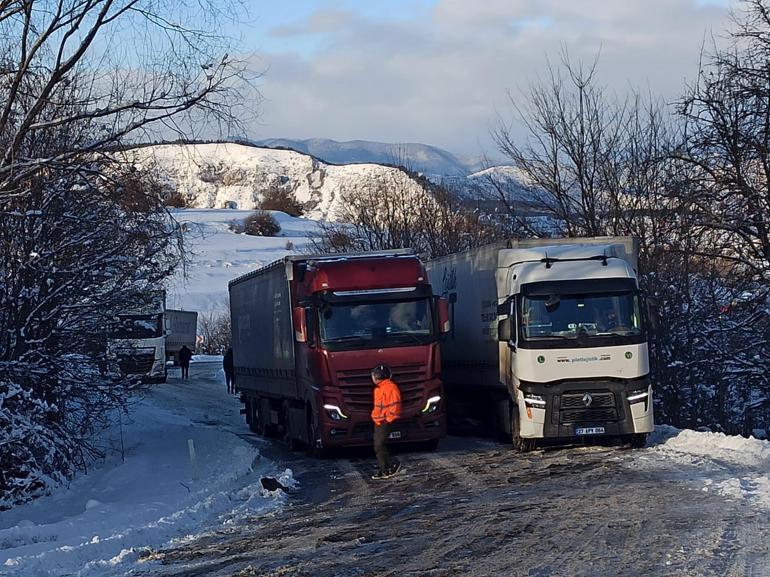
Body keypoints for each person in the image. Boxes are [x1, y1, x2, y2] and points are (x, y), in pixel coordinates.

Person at [370, 364, 402, 480]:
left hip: (384, 421)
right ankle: (384, 468)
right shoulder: (379, 388)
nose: (372, 378)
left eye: (373, 376)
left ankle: (389, 467)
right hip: (379, 421)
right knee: (378, 445)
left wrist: (388, 419)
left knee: (379, 445)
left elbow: (395, 405)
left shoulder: (390, 387)